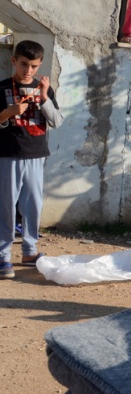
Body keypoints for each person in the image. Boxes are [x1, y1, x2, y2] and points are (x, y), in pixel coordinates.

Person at [0, 41, 64, 279]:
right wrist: (7, 112)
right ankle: (3, 256)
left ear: (39, 65)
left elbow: (57, 121)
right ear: (14, 61)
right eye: (24, 64)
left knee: (33, 205)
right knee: (5, 205)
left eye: (34, 66)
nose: (28, 71)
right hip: (8, 154)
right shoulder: (2, 88)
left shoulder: (44, 88)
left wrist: (45, 98)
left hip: (36, 155)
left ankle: (29, 252)